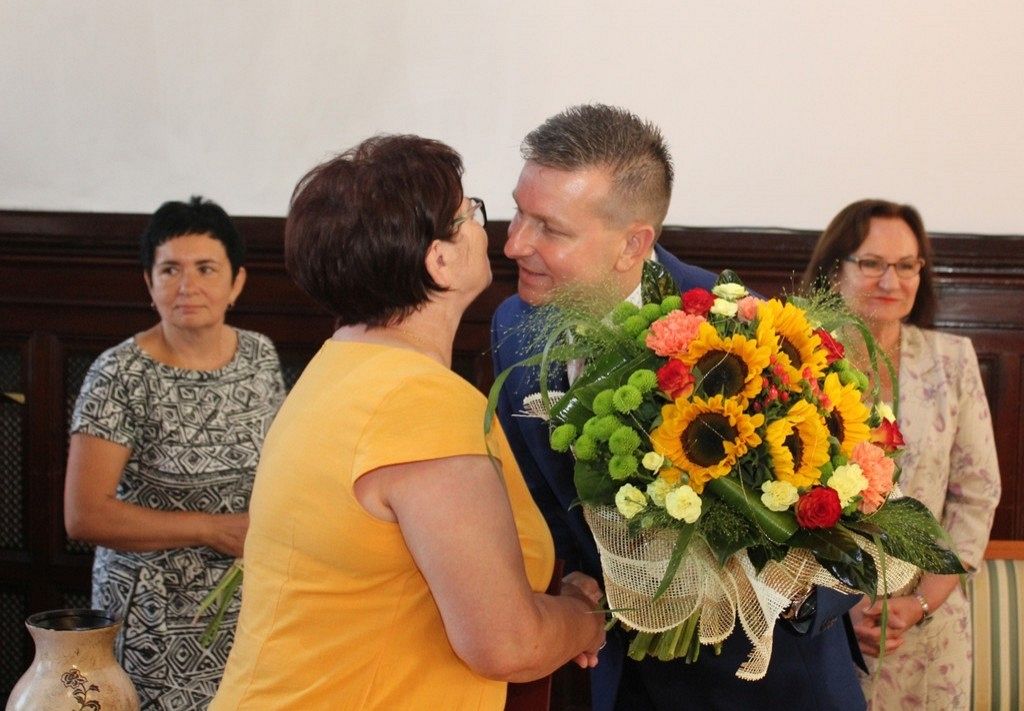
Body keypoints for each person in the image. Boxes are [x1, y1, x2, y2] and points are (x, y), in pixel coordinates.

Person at [492, 103, 868, 711]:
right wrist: (569, 579)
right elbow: (543, 495)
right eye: (518, 212)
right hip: (625, 683)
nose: (514, 244)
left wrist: (795, 593)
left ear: (632, 244)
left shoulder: (745, 333)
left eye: (550, 229)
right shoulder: (514, 326)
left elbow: (856, 507)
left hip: (773, 685)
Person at [211, 135, 605, 710]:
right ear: (439, 260)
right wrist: (583, 618)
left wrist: (551, 608)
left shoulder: (337, 367)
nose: (491, 233)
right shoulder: (419, 401)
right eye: (470, 214)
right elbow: (507, 644)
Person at [64, 196, 286, 709]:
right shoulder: (118, 374)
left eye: (206, 269)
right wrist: (210, 529)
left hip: (246, 602)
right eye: (170, 270)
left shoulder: (259, 356)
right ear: (149, 283)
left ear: (237, 282)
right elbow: (84, 514)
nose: (188, 286)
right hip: (150, 614)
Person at [802, 198, 1001, 710]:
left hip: (928, 631)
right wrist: (839, 604)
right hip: (820, 627)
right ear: (835, 271)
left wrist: (918, 604)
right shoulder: (799, 361)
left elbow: (976, 496)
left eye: (906, 265)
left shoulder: (952, 361)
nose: (891, 281)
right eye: (872, 263)